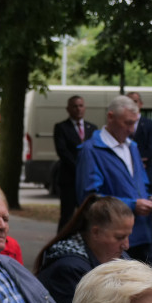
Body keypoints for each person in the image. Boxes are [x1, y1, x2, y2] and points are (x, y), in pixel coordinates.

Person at [76, 96, 152, 265]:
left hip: (144, 235)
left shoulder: (132, 147)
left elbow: (141, 186)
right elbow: (90, 199)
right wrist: (132, 205)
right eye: (128, 123)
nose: (132, 129)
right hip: (116, 241)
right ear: (111, 117)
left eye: (135, 123)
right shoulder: (92, 150)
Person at [35, 195, 134, 303]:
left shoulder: (121, 257)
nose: (126, 245)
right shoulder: (68, 270)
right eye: (119, 237)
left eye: (128, 236)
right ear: (96, 232)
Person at [53, 95, 98, 229]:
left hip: (87, 182)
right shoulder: (61, 127)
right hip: (69, 179)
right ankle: (60, 245)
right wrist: (80, 169)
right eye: (75, 106)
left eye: (81, 106)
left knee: (88, 215)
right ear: (68, 109)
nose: (78, 109)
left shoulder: (92, 128)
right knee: (67, 215)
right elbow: (63, 152)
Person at [126, 91, 152, 194]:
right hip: (127, 174)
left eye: (135, 101)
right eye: (128, 101)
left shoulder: (150, 125)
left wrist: (136, 162)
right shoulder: (121, 124)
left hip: (146, 172)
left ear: (141, 104)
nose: (132, 104)